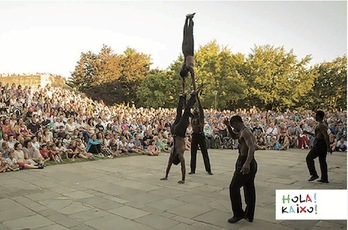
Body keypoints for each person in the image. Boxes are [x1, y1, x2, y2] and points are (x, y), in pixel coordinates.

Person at [223, 115, 257, 223]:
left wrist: (247, 163)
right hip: (247, 161)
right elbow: (234, 136)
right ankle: (249, 214)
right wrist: (228, 126)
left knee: (234, 187)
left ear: (237, 123)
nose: (233, 128)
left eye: (233, 125)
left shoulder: (245, 132)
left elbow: (251, 147)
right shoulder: (242, 131)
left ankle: (238, 213)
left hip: (245, 161)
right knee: (249, 188)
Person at [161, 91, 197, 184]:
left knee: (181, 113)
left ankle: (186, 97)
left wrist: (166, 176)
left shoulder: (175, 152)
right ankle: (188, 97)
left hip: (177, 132)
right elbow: (183, 167)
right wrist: (183, 179)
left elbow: (171, 165)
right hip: (177, 132)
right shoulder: (179, 152)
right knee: (183, 113)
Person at [304, 110, 332, 183]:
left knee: (309, 158)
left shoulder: (321, 125)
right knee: (322, 161)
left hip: (320, 144)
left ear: (319, 116)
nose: (315, 117)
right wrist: (308, 133)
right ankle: (324, 178)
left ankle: (314, 174)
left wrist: (329, 147)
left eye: (316, 115)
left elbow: (326, 136)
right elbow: (317, 136)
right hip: (321, 143)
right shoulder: (321, 124)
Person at [189, 93, 213, 175]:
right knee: (193, 153)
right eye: (194, 110)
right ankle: (192, 169)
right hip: (194, 135)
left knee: (204, 153)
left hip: (200, 134)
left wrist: (197, 98)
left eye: (196, 110)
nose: (195, 111)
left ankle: (208, 169)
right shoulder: (192, 117)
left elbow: (201, 107)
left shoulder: (200, 117)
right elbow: (187, 109)